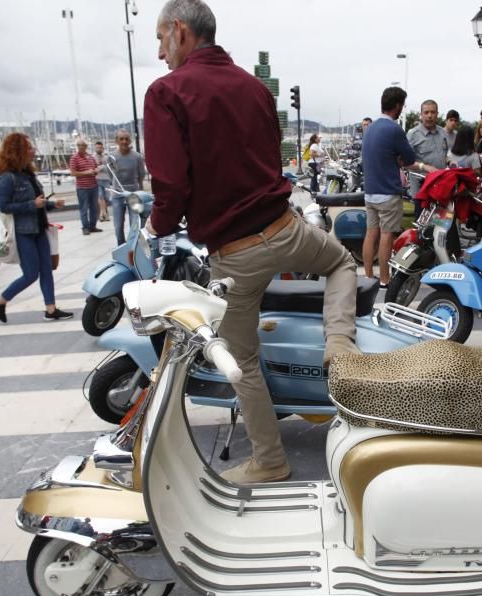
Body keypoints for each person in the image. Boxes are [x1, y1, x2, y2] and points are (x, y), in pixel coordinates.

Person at [144, 0, 359, 484]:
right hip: (286, 229)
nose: (160, 53)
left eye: (160, 39)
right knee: (343, 261)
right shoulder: (254, 87)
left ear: (179, 32)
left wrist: (158, 224)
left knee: (241, 362)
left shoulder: (166, 93)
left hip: (235, 257)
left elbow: (171, 185)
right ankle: (339, 343)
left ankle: (270, 460)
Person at [0, 133, 71, 323]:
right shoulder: (7, 178)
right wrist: (31, 205)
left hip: (39, 229)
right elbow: (4, 206)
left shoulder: (28, 174)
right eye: (28, 147)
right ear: (17, 151)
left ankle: (50, 309)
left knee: (46, 270)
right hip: (23, 232)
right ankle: (1, 299)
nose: (32, 150)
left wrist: (51, 204)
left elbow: (38, 202)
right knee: (30, 274)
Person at [361, 86, 432, 286]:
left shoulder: (370, 128)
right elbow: (409, 158)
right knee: (386, 235)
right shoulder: (394, 129)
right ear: (398, 105)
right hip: (387, 193)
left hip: (370, 192)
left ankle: (368, 275)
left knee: (370, 233)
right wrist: (421, 165)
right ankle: (385, 279)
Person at [407, 99, 449, 218]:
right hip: (422, 191)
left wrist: (450, 161)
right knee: (422, 230)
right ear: (421, 114)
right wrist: (423, 166)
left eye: (433, 112)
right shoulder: (412, 134)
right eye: (426, 112)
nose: (429, 116)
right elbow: (405, 162)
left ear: (437, 113)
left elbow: (444, 155)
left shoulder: (442, 132)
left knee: (441, 226)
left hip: (440, 189)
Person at [109, 129, 147, 245]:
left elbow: (142, 174)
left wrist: (136, 187)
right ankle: (121, 246)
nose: (124, 141)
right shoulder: (112, 156)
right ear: (117, 141)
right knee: (118, 225)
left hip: (134, 194)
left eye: (126, 139)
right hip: (117, 195)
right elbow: (110, 174)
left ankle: (133, 247)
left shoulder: (137, 157)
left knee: (135, 224)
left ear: (130, 141)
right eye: (121, 139)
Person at [69, 138, 101, 236]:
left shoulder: (90, 157)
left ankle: (93, 226)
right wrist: (86, 172)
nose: (81, 147)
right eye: (79, 145)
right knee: (84, 208)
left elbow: (96, 167)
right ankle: (85, 227)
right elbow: (73, 173)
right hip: (82, 187)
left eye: (83, 145)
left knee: (94, 207)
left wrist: (96, 170)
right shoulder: (74, 158)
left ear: (86, 147)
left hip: (94, 185)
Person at [94, 140, 111, 222]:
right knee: (100, 196)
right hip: (97, 179)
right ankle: (102, 214)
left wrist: (100, 167)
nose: (99, 149)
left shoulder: (106, 157)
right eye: (97, 147)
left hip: (106, 179)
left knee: (106, 197)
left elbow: (108, 167)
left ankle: (104, 213)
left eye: (100, 147)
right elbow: (93, 168)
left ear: (103, 148)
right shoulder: (93, 157)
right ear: (95, 148)